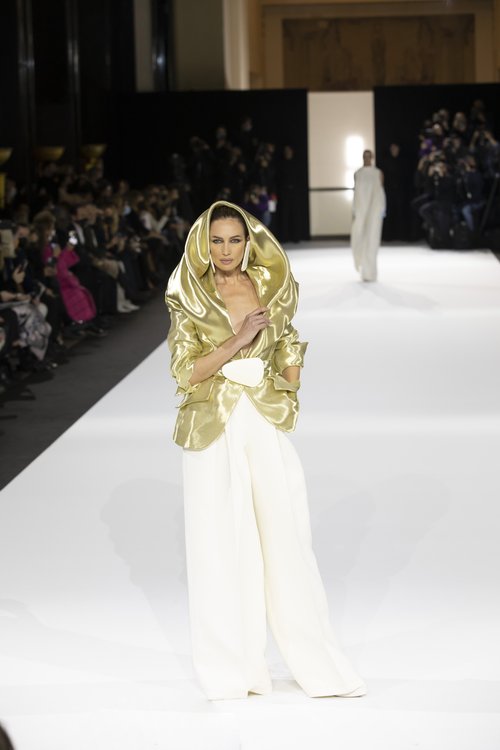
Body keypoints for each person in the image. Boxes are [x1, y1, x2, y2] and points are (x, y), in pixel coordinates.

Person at [165, 200, 366, 701]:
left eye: (234, 240)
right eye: (216, 240)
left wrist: (289, 383)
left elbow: (287, 340)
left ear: (248, 242)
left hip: (260, 418)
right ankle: (232, 670)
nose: (225, 250)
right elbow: (186, 372)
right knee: (218, 545)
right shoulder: (190, 294)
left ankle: (315, 662)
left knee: (287, 539)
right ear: (203, 243)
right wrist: (238, 340)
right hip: (213, 426)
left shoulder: (269, 285)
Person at [351, 149, 386, 282]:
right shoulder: (357, 173)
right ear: (362, 157)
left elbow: (380, 192)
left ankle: (370, 273)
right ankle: (363, 270)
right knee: (360, 238)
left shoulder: (378, 173)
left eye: (369, 156)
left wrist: (381, 209)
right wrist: (355, 211)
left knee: (372, 239)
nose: (367, 158)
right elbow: (356, 193)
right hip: (361, 210)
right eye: (365, 156)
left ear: (372, 157)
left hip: (374, 209)